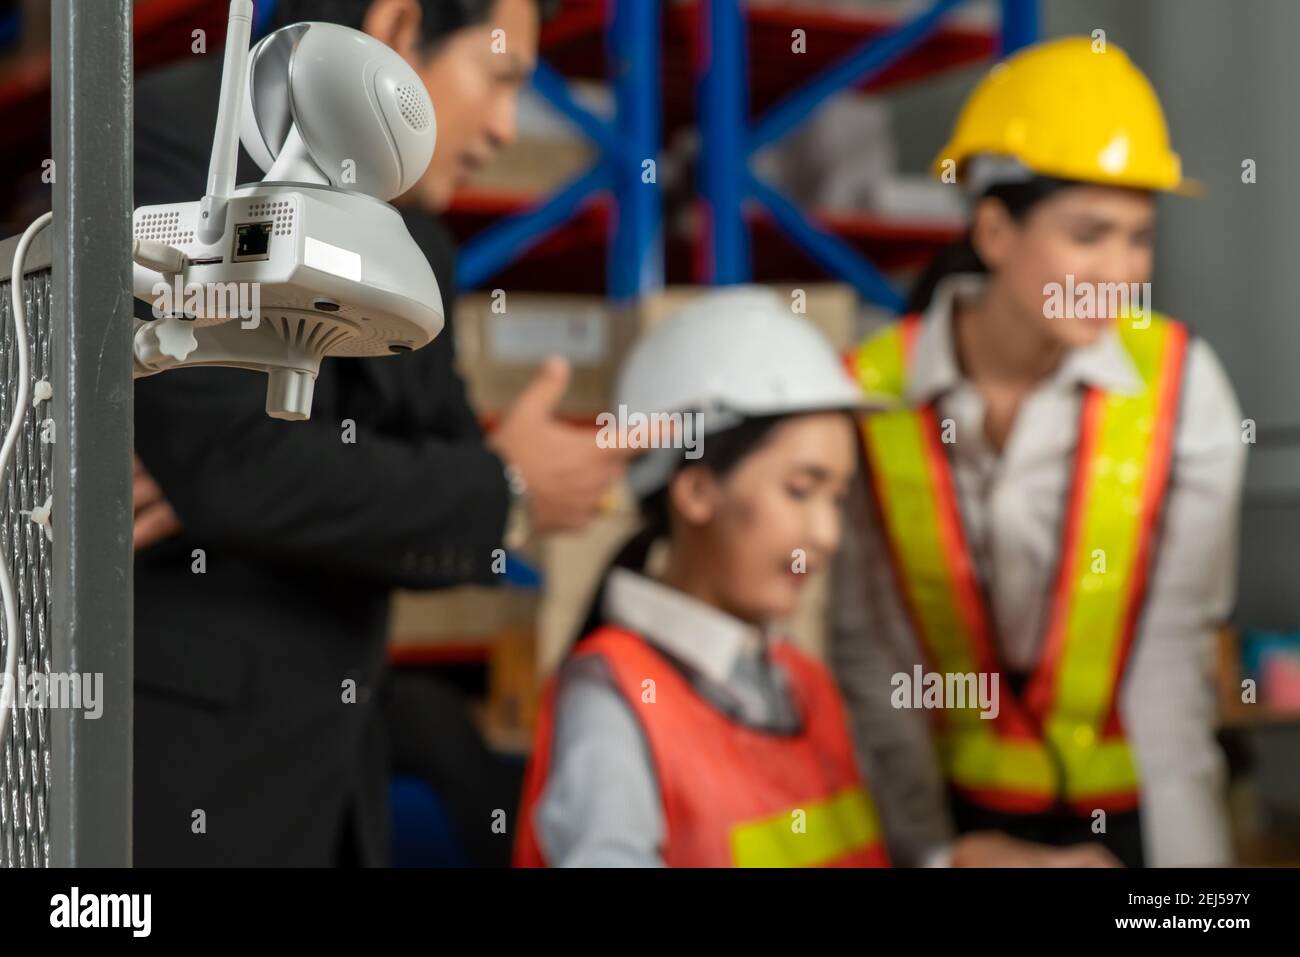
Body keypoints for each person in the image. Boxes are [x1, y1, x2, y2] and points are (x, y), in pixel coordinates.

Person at [130, 0, 633, 866]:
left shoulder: (409, 234)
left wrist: (463, 485)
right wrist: (495, 488)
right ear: (400, 29)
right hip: (184, 782)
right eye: (501, 76)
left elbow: (279, 480)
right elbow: (237, 472)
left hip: (334, 772)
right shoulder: (177, 144)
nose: (508, 126)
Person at [832, 37, 1245, 868]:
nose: (1120, 272)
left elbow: (1171, 668)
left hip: (1137, 824)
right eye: (1089, 234)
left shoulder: (1178, 383)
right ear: (993, 228)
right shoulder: (872, 388)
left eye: (1138, 238)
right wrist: (937, 857)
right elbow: (871, 656)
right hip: (958, 821)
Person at [513, 288, 891, 868]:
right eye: (800, 490)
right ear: (695, 491)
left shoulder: (803, 683)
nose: (827, 534)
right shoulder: (613, 700)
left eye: (837, 498)